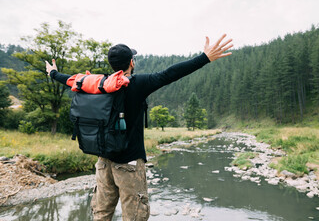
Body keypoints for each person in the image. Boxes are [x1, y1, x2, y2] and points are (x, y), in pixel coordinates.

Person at [45, 34, 233, 221]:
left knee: (101, 214)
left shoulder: (98, 85)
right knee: (135, 216)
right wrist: (205, 58)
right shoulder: (137, 84)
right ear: (131, 63)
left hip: (103, 161)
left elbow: (68, 79)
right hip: (129, 164)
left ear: (112, 65)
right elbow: (170, 74)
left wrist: (53, 73)